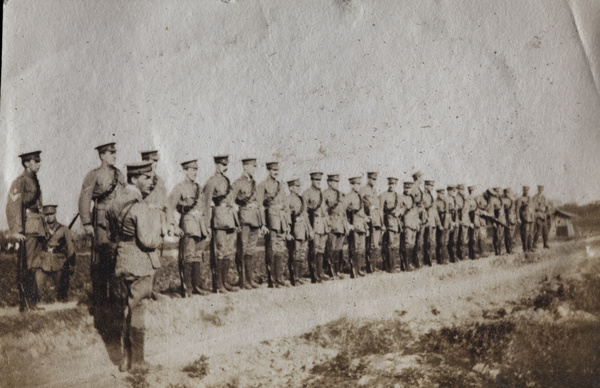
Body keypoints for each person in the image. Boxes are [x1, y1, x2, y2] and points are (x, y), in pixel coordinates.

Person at [107, 161, 164, 372]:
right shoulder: (140, 207)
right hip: (139, 262)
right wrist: (159, 227)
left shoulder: (114, 203)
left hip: (122, 259)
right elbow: (149, 241)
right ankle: (138, 362)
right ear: (133, 179)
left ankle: (125, 360)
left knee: (125, 308)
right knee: (137, 310)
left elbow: (111, 233)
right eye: (146, 178)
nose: (151, 182)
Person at [78, 142, 126, 307]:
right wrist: (86, 222)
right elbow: (85, 198)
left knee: (117, 257)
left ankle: (115, 296)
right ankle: (100, 298)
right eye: (110, 153)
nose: (114, 155)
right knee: (102, 258)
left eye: (115, 152)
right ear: (102, 155)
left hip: (118, 222)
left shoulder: (120, 175)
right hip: (101, 223)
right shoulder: (94, 175)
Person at [6, 150, 47, 311]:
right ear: (27, 163)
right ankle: (26, 303)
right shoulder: (20, 181)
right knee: (27, 265)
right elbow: (13, 205)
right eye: (35, 161)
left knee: (34, 265)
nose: (39, 164)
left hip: (36, 227)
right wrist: (16, 230)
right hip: (28, 228)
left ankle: (32, 302)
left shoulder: (34, 180)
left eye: (38, 161)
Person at [168, 159, 211, 296]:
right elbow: (169, 207)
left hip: (200, 226)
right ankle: (187, 289)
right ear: (185, 171)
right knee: (188, 257)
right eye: (191, 170)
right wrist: (174, 225)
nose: (194, 172)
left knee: (197, 256)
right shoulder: (179, 188)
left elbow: (204, 209)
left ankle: (197, 287)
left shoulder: (199, 188)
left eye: (196, 170)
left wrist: (207, 226)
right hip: (188, 225)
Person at [204, 155, 239, 293]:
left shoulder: (226, 180)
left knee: (229, 252)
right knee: (220, 251)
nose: (225, 167)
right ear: (217, 165)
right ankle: (218, 285)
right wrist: (206, 225)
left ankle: (225, 282)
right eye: (223, 165)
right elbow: (206, 204)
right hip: (218, 219)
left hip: (230, 218)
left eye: (226, 165)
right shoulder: (211, 181)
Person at [231, 158, 268, 289]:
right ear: (245, 167)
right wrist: (235, 221)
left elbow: (259, 204)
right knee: (242, 249)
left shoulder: (254, 184)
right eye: (252, 166)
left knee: (251, 250)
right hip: (244, 219)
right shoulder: (238, 183)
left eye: (255, 167)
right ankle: (243, 281)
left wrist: (262, 223)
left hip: (255, 220)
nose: (254, 169)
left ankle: (250, 280)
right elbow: (231, 202)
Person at [257, 162, 292, 288]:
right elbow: (260, 206)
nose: (276, 172)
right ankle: (272, 280)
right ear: (268, 170)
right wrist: (262, 224)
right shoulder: (262, 185)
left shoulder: (280, 186)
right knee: (272, 249)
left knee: (280, 249)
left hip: (281, 221)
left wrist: (288, 224)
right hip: (271, 220)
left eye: (277, 170)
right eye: (273, 170)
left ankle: (280, 278)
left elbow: (286, 206)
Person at [40, 205, 76, 302]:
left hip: (58, 260)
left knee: (62, 288)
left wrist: (71, 263)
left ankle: (61, 300)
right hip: (43, 260)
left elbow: (70, 246)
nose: (49, 216)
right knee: (38, 285)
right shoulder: (41, 229)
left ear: (55, 214)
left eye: (51, 214)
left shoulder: (64, 229)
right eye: (46, 214)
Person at [303, 172, 330, 283]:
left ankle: (320, 272)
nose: (319, 182)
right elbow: (304, 212)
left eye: (320, 180)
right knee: (313, 249)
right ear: (312, 180)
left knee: (321, 249)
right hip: (314, 224)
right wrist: (309, 228)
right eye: (317, 180)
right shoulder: (307, 193)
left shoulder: (321, 194)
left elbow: (325, 211)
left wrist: (328, 225)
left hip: (323, 224)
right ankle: (314, 274)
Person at [287, 178, 313, 285]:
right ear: (291, 188)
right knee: (295, 254)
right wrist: (288, 232)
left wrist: (310, 230)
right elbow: (287, 217)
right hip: (296, 230)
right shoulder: (288, 199)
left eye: (299, 186)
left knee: (302, 254)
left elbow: (306, 216)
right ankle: (294, 278)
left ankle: (299, 276)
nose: (298, 188)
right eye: (296, 186)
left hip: (304, 230)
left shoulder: (302, 199)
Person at [323, 174, 349, 278]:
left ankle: (338, 270)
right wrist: (327, 224)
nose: (336, 184)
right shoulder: (324, 194)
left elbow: (344, 212)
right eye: (334, 182)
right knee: (331, 249)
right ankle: (330, 271)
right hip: (332, 225)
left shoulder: (342, 195)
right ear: (329, 182)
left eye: (338, 182)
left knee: (338, 249)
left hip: (341, 225)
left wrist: (346, 225)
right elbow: (324, 212)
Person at [360, 172, 384, 272]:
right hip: (369, 221)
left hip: (377, 221)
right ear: (368, 179)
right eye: (372, 179)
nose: (374, 181)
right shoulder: (363, 190)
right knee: (369, 244)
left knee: (374, 244)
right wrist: (365, 217)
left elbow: (378, 208)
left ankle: (372, 267)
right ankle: (368, 267)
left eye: (375, 179)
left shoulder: (374, 191)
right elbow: (359, 205)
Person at [346, 176, 369, 277]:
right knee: (355, 248)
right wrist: (348, 224)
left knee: (361, 249)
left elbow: (362, 213)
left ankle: (360, 270)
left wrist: (366, 226)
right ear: (352, 185)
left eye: (359, 184)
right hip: (354, 225)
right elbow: (343, 212)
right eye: (356, 184)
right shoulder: (348, 197)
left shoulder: (360, 197)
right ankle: (354, 271)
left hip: (361, 226)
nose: (358, 186)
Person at [380, 177, 401, 272]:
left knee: (395, 245)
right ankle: (390, 267)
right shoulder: (384, 195)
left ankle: (394, 265)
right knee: (390, 245)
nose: (392, 186)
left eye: (394, 184)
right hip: (389, 222)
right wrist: (382, 224)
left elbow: (401, 207)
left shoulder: (398, 196)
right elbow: (381, 211)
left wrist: (399, 212)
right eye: (390, 184)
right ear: (388, 184)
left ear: (396, 185)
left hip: (397, 223)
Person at [399, 181, 418, 271]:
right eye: (406, 188)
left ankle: (410, 263)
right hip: (407, 224)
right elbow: (400, 212)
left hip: (414, 224)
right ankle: (406, 264)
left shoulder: (412, 198)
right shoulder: (401, 198)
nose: (407, 190)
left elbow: (415, 212)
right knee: (407, 244)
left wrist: (417, 223)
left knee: (412, 244)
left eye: (409, 188)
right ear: (403, 188)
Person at [409, 171, 426, 268]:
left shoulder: (418, 188)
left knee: (420, 240)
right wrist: (416, 219)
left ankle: (419, 262)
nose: (422, 179)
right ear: (418, 177)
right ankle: (416, 262)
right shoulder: (414, 189)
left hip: (421, 217)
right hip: (416, 217)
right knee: (417, 240)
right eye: (422, 177)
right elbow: (412, 206)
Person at [422, 180, 441, 266]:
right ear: (425, 186)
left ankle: (432, 259)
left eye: (432, 186)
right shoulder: (422, 196)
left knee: (433, 242)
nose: (431, 188)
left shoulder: (431, 196)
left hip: (432, 222)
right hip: (427, 222)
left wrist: (438, 223)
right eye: (430, 186)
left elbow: (435, 211)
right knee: (428, 242)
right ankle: (427, 260)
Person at [465, 185, 483, 259]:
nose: (476, 192)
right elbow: (466, 212)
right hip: (471, 221)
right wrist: (469, 223)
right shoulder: (468, 200)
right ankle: (472, 254)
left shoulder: (474, 199)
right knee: (472, 238)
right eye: (474, 191)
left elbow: (477, 210)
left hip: (476, 220)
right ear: (471, 191)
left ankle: (474, 253)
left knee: (475, 237)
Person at [516, 186, 535, 252]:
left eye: (527, 191)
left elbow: (533, 208)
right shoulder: (520, 199)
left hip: (531, 218)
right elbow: (517, 209)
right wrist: (518, 218)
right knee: (525, 234)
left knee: (531, 234)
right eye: (525, 190)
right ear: (523, 191)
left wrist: (533, 216)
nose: (526, 192)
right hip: (525, 218)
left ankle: (530, 247)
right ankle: (525, 248)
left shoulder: (530, 198)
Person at [435, 187, 451, 264]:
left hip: (446, 223)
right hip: (440, 223)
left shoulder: (446, 201)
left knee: (446, 241)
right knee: (440, 242)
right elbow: (436, 215)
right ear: (437, 194)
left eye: (443, 193)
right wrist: (439, 225)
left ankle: (445, 258)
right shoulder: (435, 202)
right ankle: (440, 259)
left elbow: (448, 213)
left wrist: (449, 224)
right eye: (441, 193)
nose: (442, 195)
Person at [532, 185, 550, 249]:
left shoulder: (543, 197)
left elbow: (546, 205)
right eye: (540, 190)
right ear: (538, 190)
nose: (541, 191)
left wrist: (546, 209)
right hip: (538, 215)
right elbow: (533, 207)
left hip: (544, 216)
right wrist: (540, 208)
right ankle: (534, 244)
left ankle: (545, 244)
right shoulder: (534, 197)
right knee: (538, 230)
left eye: (542, 190)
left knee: (545, 230)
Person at [502, 188, 517, 254]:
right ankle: (509, 250)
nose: (508, 194)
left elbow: (514, 210)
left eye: (509, 193)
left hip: (512, 219)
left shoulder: (512, 200)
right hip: (507, 219)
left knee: (511, 235)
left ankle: (511, 249)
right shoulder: (503, 200)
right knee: (508, 235)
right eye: (507, 193)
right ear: (505, 193)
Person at [446, 185, 458, 262]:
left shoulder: (454, 199)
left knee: (453, 240)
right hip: (449, 222)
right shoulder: (447, 200)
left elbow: (455, 212)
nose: (455, 192)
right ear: (449, 191)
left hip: (454, 220)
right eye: (453, 191)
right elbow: (447, 213)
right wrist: (451, 222)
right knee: (449, 240)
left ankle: (454, 256)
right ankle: (450, 257)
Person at [455, 184, 467, 260]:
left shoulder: (464, 198)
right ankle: (457, 255)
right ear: (458, 190)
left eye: (463, 190)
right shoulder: (456, 198)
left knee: (462, 238)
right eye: (461, 190)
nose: (463, 191)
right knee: (456, 238)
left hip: (463, 220)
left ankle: (462, 254)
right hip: (458, 219)